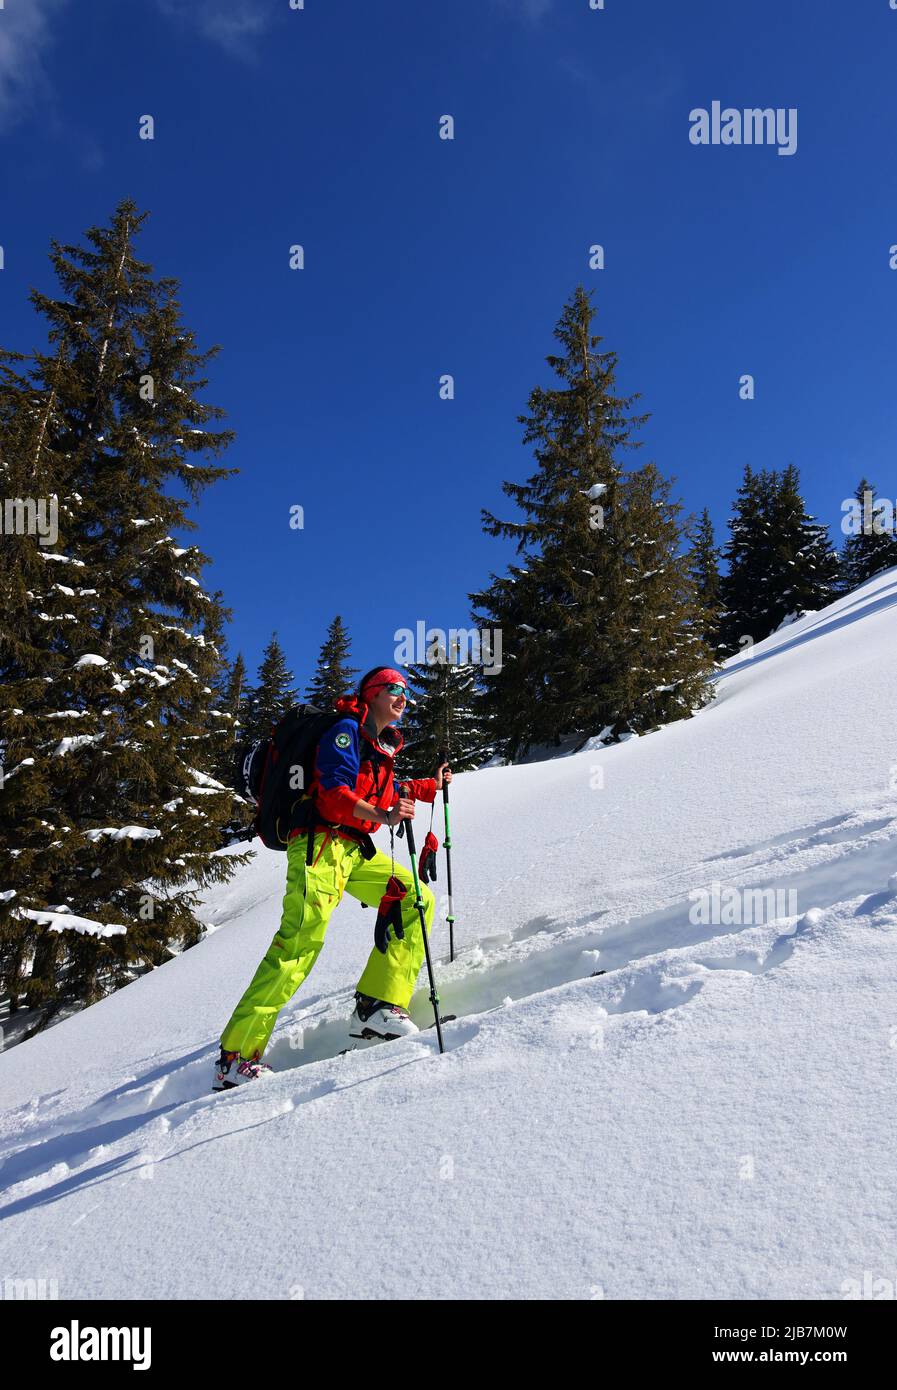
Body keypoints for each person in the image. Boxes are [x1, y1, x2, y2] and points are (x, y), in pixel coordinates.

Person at [212, 666, 452, 1089]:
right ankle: (235, 1058)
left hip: (354, 851)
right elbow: (334, 794)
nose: (403, 696)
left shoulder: (377, 747)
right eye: (394, 689)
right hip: (319, 848)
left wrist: (429, 786)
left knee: (415, 899)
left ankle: (378, 1005)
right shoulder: (344, 731)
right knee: (298, 945)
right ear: (373, 694)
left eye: (405, 690)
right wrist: (382, 814)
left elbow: (386, 793)